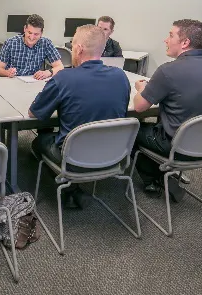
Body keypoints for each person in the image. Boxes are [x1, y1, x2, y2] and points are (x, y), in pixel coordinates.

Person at [28, 25, 130, 208]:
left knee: (38, 142)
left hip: (74, 160)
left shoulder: (64, 78)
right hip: (115, 155)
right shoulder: (121, 76)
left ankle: (70, 189)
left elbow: (34, 113)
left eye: (73, 44)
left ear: (79, 48)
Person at [133, 20, 202, 201]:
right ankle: (163, 175)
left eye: (171, 35)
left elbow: (139, 107)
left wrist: (141, 89)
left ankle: (155, 180)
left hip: (179, 148)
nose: (165, 40)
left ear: (185, 43)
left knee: (131, 128)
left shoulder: (168, 71)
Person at [0, 14, 64, 79]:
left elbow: (60, 67)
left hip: (33, 82)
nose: (31, 37)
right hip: (13, 80)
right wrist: (7, 73)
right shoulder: (11, 43)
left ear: (41, 33)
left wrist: (48, 72)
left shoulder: (46, 43)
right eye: (29, 32)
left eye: (36, 34)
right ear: (25, 29)